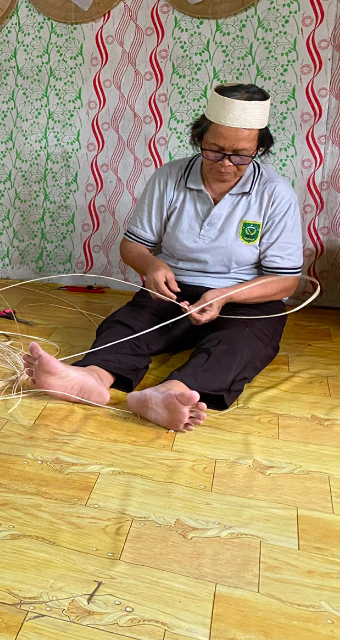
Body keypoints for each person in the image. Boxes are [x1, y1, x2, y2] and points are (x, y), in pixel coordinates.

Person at [24, 84, 303, 432]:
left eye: (240, 155)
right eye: (214, 150)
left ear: (259, 149)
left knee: (241, 343)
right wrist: (152, 266)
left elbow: (285, 281)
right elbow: (133, 246)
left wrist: (225, 296)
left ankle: (170, 394)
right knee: (128, 324)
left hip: (245, 297)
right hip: (175, 289)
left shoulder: (275, 194)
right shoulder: (170, 178)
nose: (226, 164)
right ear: (198, 138)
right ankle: (92, 377)